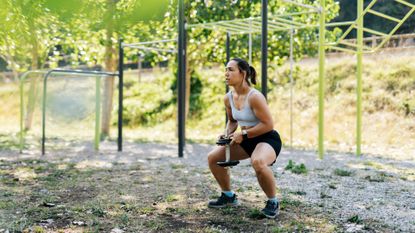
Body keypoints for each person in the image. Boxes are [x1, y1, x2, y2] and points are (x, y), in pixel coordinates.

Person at [207, 58, 282, 219]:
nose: (226, 73)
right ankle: (228, 196)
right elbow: (233, 121)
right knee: (213, 157)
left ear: (243, 73)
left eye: (230, 70)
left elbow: (268, 124)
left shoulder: (255, 96)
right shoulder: (228, 98)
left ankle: (273, 202)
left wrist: (245, 134)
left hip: (267, 139)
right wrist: (227, 134)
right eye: (225, 70)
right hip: (244, 140)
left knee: (258, 162)